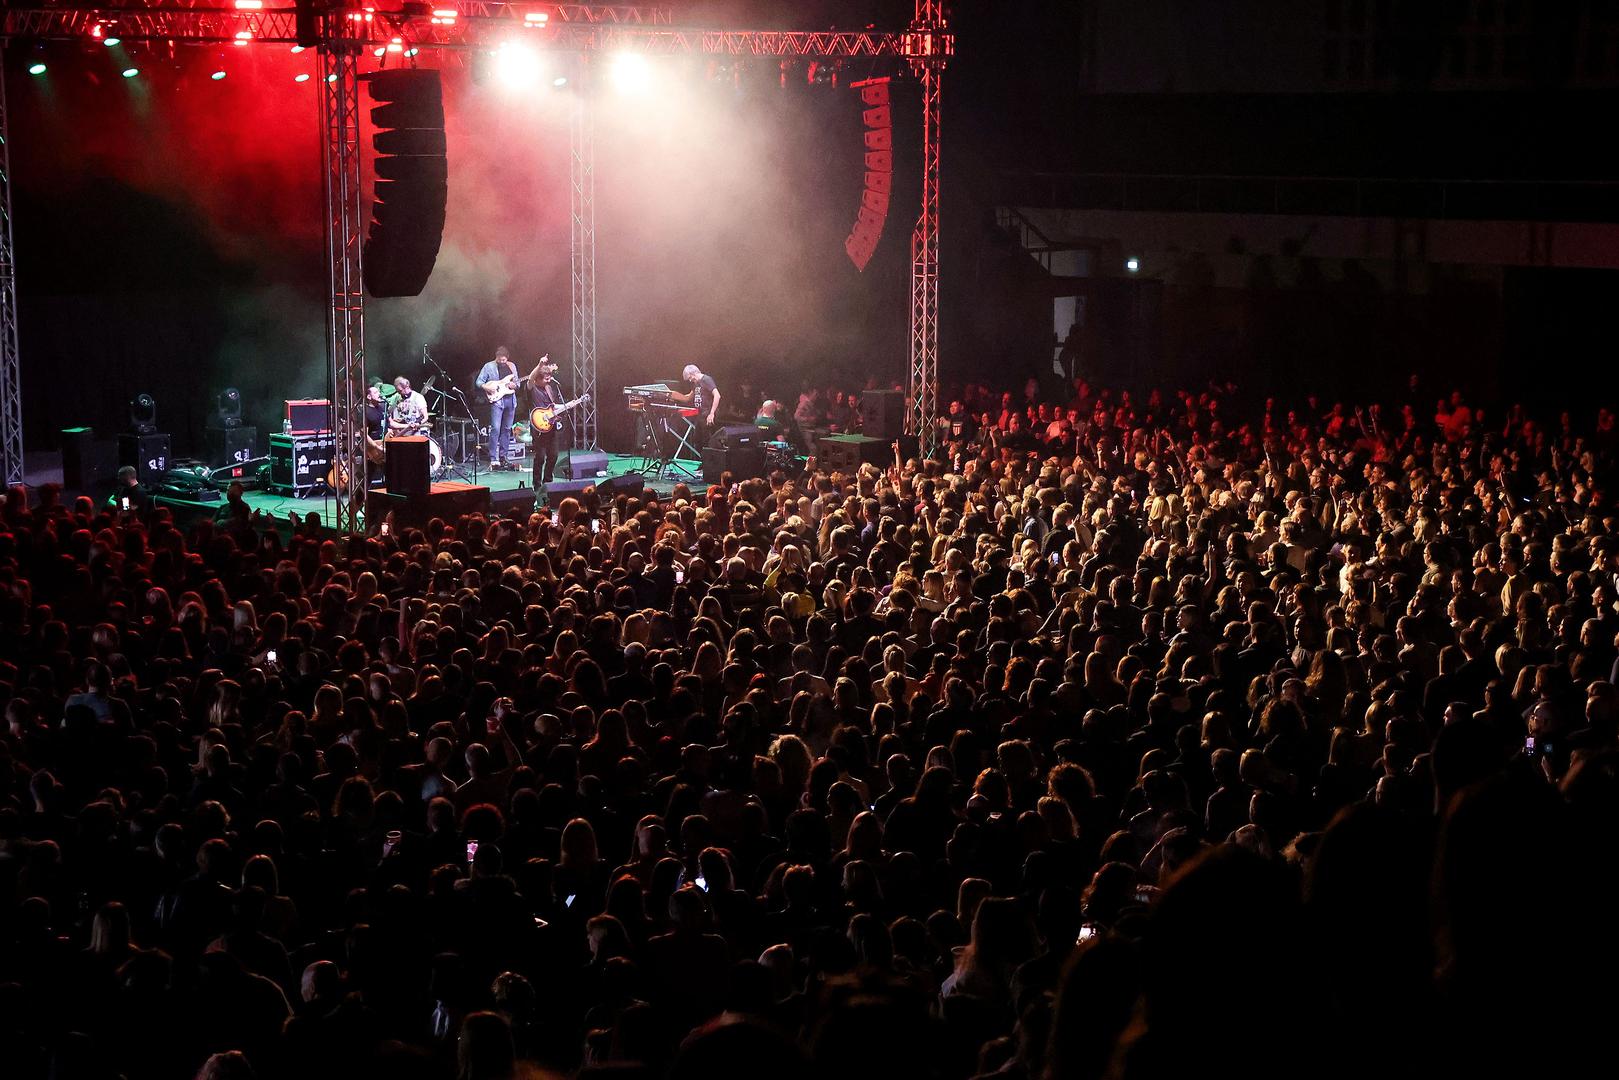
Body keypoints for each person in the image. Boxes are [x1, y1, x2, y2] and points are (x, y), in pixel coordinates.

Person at [476, 346, 522, 472]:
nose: (502, 361)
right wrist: (487, 387)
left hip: (510, 401)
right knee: (495, 428)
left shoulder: (512, 366)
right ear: (496, 357)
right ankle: (493, 457)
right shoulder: (488, 366)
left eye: (504, 359)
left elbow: (517, 383)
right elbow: (479, 382)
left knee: (507, 429)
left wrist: (515, 385)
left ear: (507, 358)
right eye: (500, 359)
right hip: (497, 400)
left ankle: (504, 456)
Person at [525, 354, 564, 493]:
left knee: (554, 455)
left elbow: (552, 407)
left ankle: (548, 482)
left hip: (551, 427)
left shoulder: (549, 388)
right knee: (540, 456)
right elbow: (530, 379)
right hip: (538, 428)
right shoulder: (532, 388)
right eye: (545, 378)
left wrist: (568, 405)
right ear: (538, 379)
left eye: (549, 377)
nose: (548, 380)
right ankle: (537, 483)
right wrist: (540, 365)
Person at [675, 363, 721, 450]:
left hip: (707, 414)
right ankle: (702, 461)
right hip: (700, 415)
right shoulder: (696, 383)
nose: (690, 380)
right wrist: (672, 395)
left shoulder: (706, 379)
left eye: (690, 378)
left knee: (708, 441)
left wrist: (711, 414)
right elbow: (688, 397)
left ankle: (709, 462)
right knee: (698, 440)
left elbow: (717, 395)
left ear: (693, 373)